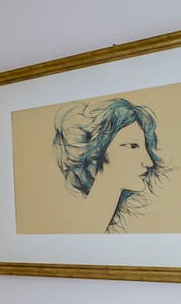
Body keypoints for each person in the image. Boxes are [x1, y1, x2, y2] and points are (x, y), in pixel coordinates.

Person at [51, 98, 166, 232]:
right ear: (94, 152)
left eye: (144, 147)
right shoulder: (83, 230)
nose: (149, 162)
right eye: (133, 146)